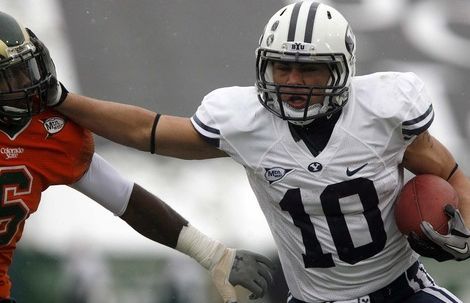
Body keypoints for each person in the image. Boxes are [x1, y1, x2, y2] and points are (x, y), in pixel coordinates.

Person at [44, 1, 470, 302]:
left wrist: (465, 226)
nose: (292, 81)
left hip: (404, 291)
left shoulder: (383, 112)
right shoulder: (246, 123)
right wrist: (62, 100)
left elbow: (453, 176)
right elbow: (148, 130)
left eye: (309, 69)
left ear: (342, 69)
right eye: (282, 66)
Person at [0, 11, 276, 303]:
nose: (26, 84)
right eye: (10, 76)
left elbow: (126, 198)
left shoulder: (47, 131)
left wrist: (211, 254)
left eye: (25, 70)